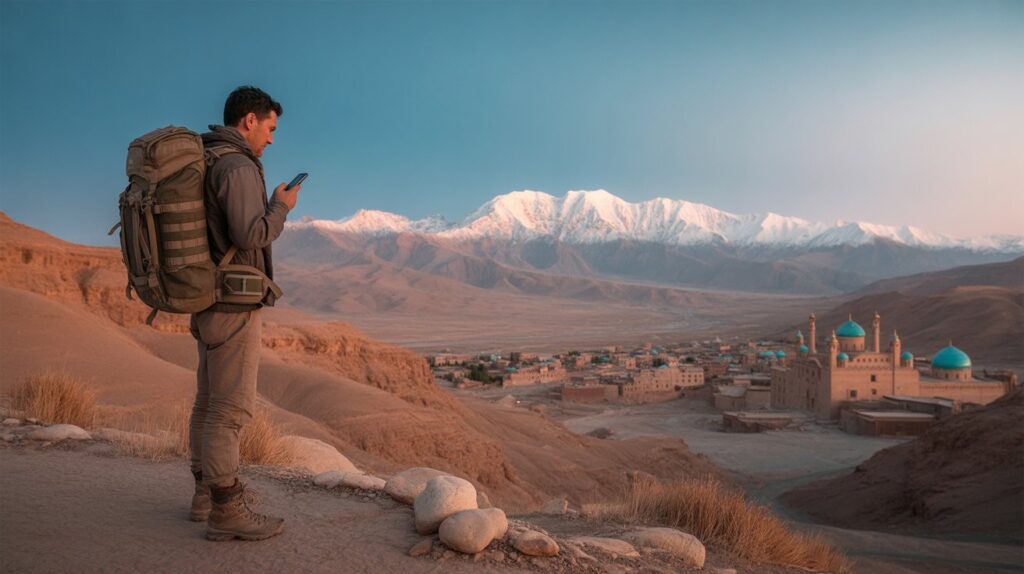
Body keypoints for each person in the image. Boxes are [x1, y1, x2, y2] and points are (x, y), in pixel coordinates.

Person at [187, 86, 300, 541]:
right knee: (228, 410)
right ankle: (227, 510)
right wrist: (281, 207)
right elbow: (250, 235)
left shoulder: (208, 157)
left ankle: (204, 498)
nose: (271, 139)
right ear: (249, 121)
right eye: (270, 128)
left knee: (208, 403)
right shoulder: (235, 165)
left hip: (207, 299)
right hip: (231, 302)